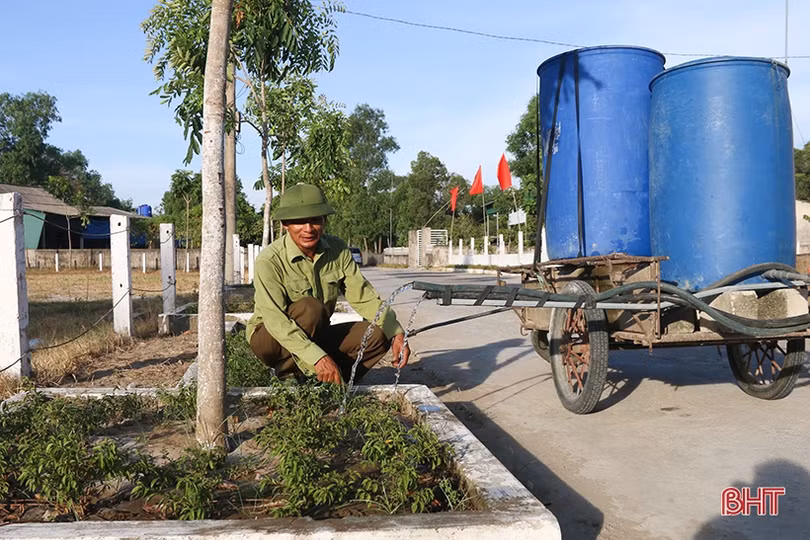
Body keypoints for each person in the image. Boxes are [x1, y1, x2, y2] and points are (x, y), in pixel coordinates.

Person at [247, 183, 410, 384]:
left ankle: (330, 386)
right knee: (311, 308)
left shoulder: (337, 250)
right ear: (285, 224)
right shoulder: (269, 260)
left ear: (324, 221)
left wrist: (396, 331)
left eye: (315, 220)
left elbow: (363, 296)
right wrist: (318, 357)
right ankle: (287, 382)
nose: (308, 229)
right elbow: (275, 320)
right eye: (299, 222)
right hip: (270, 338)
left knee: (377, 334)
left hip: (317, 333)